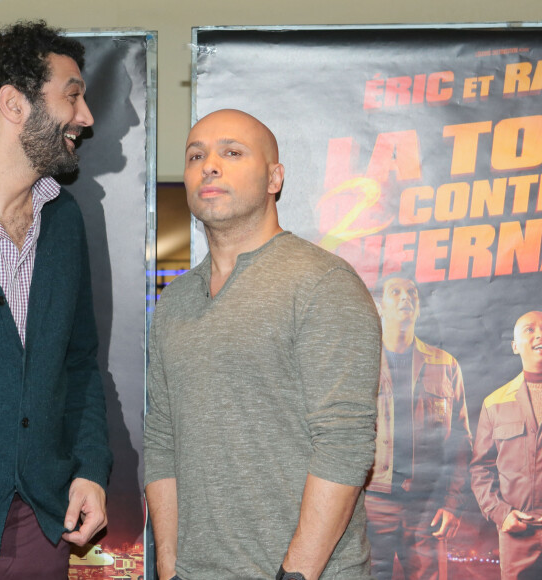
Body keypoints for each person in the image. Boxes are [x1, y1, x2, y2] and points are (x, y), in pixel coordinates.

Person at [144, 109, 381, 580]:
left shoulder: (323, 283)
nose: (209, 165)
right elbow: (161, 440)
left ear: (275, 178)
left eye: (232, 152)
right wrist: (169, 565)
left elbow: (345, 442)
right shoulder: (173, 304)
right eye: (196, 155)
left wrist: (296, 573)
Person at [0, 20, 112, 578]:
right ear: (14, 103)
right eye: (72, 96)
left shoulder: (62, 220)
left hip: (38, 523)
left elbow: (79, 363)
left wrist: (89, 469)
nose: (86, 118)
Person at [364, 275, 472, 579]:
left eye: (412, 293)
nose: (405, 298)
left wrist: (451, 504)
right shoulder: (360, 362)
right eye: (394, 292)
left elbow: (460, 443)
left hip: (426, 506)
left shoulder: (445, 365)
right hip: (373, 505)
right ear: (380, 306)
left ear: (420, 308)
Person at [471, 310, 542, 579]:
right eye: (529, 329)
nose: (541, 334)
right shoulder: (495, 404)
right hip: (516, 536)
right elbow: (480, 471)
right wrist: (501, 515)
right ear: (515, 346)